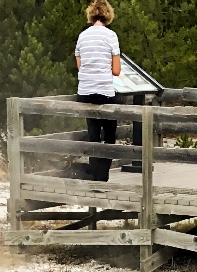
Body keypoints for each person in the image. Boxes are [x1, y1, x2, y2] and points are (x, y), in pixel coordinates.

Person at [74, 0, 123, 183]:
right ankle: (103, 176)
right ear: (108, 15)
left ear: (91, 15)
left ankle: (94, 174)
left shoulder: (82, 36)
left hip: (85, 91)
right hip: (104, 91)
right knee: (109, 136)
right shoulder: (111, 36)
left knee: (93, 135)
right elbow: (116, 70)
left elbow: (81, 67)